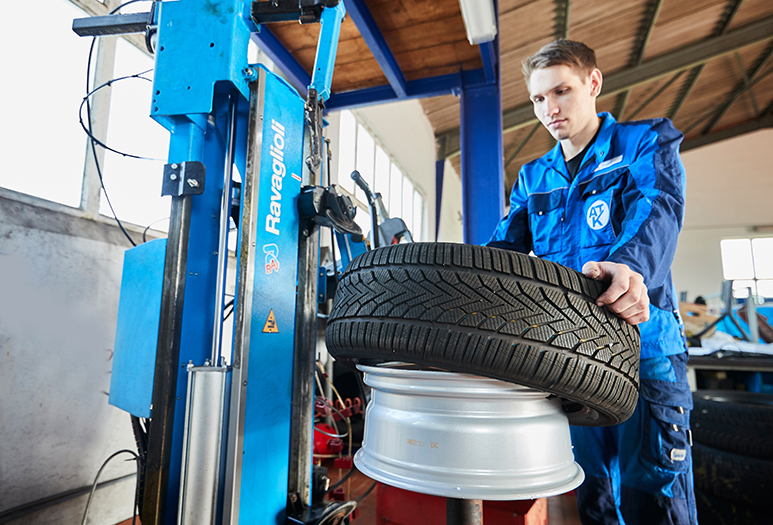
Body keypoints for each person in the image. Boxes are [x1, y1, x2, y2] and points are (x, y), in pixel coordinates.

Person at [487, 40, 696, 525]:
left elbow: (658, 207)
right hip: (576, 357)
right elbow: (500, 257)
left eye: (562, 91)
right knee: (594, 494)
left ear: (593, 83)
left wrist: (631, 266)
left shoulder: (645, 143)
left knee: (655, 493)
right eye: (539, 99)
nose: (550, 109)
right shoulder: (534, 177)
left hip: (645, 349)